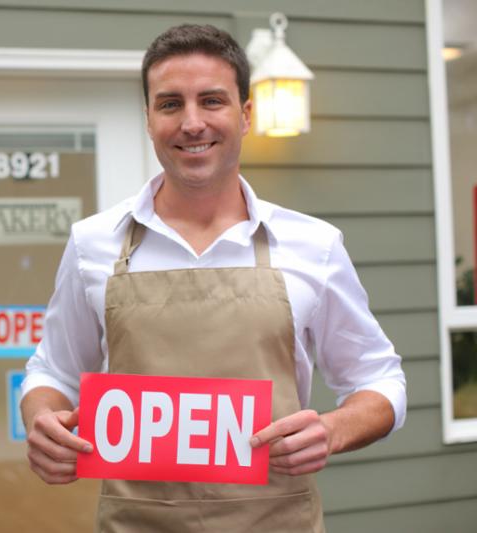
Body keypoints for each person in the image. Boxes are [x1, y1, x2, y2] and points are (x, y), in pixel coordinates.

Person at [20, 23, 406, 532]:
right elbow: (52, 372)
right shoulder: (93, 243)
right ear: (148, 119)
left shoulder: (315, 245)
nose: (192, 122)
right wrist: (41, 420)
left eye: (212, 101)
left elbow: (379, 380)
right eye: (170, 104)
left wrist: (333, 430)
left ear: (245, 115)